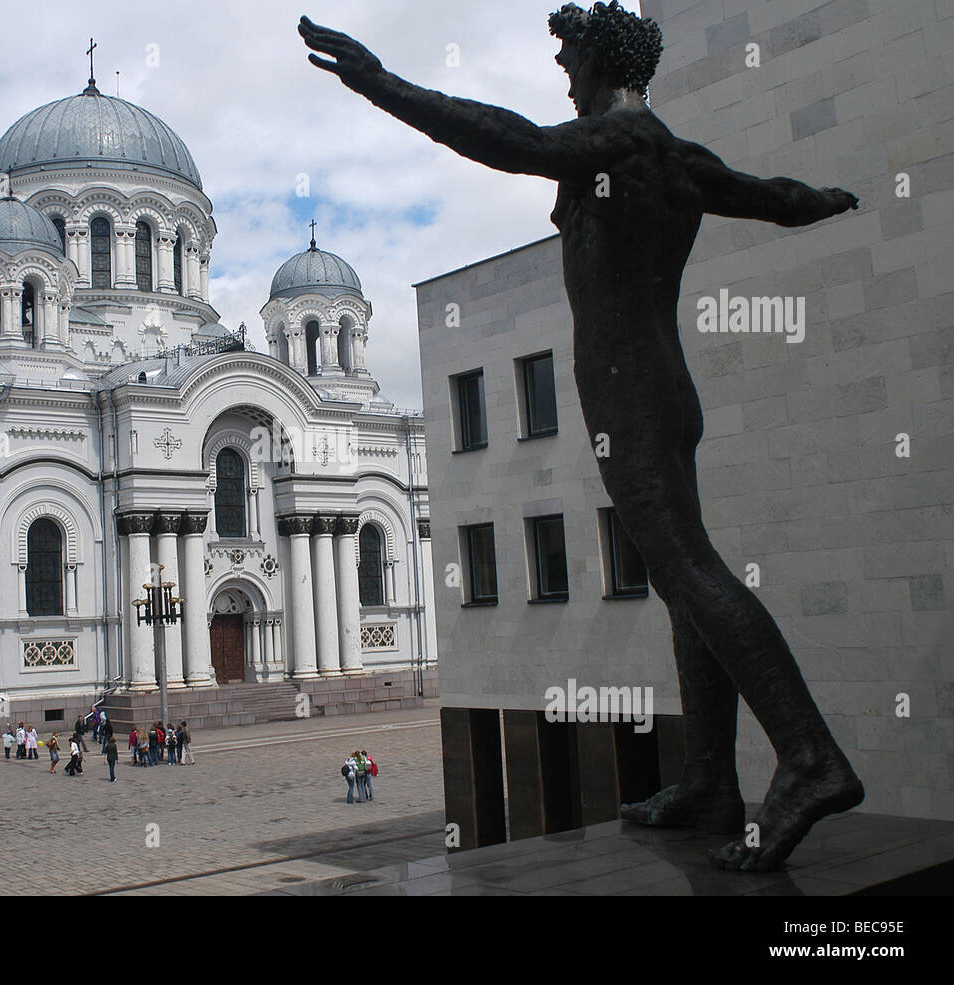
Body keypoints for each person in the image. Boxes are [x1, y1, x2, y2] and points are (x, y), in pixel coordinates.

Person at [297, 4, 865, 874]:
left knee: (687, 571)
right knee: (683, 581)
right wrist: (822, 200)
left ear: (599, 57)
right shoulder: (679, 156)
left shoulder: (615, 144)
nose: (562, 71)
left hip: (631, 393)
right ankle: (713, 779)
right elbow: (777, 200)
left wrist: (379, 82)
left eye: (568, 56)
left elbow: (499, 135)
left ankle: (810, 755)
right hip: (666, 390)